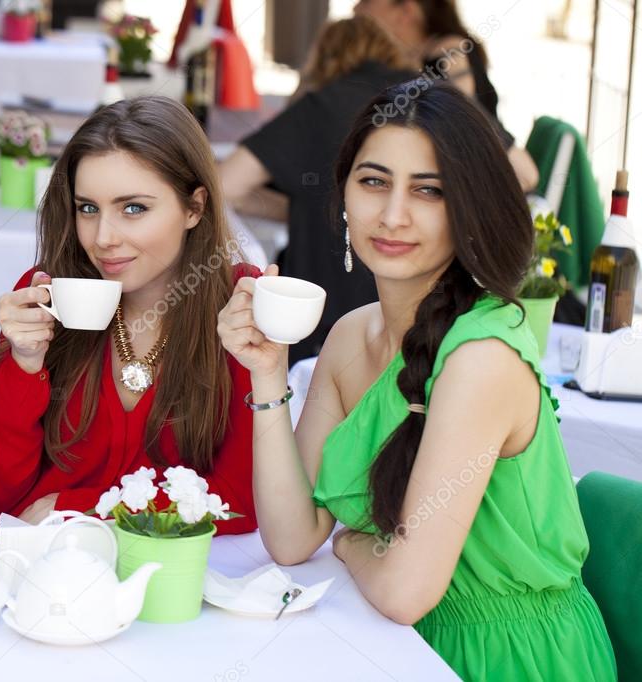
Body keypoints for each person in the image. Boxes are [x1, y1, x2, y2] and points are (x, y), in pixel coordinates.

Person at [218, 82, 616, 681]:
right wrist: (269, 372)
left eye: (428, 190)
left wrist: (353, 542)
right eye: (374, 182)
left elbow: (403, 588)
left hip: (506, 657)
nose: (393, 214)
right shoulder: (353, 336)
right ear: (345, 195)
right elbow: (293, 537)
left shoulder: (481, 356)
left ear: (470, 207)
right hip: (392, 636)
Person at [0, 96, 262, 534]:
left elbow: (238, 502)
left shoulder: (239, 303)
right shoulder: (47, 291)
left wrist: (81, 508)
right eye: (88, 208)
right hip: (37, 570)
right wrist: (24, 366)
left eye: (133, 208)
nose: (103, 237)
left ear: (194, 208)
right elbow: (1, 492)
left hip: (173, 582)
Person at [220, 16, 416, 362]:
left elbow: (226, 184)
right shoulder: (431, 98)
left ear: (324, 57)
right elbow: (524, 170)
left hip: (319, 318)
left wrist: (305, 206)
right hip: (418, 315)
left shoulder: (321, 104)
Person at [354, 0, 539, 192]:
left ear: (407, 11)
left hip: (492, 180)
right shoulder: (403, 61)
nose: (356, 8)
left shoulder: (448, 53)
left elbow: (523, 173)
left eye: (366, 0)